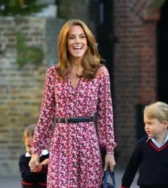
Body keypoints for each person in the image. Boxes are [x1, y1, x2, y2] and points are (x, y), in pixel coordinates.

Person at [28, 19, 117, 188]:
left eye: (82, 37)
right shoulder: (54, 73)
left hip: (88, 143)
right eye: (72, 38)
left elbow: (106, 115)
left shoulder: (100, 72)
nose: (77, 42)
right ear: (65, 43)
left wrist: (109, 151)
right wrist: (36, 151)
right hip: (61, 142)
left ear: (88, 41)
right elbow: (46, 115)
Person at [121, 101, 168, 188]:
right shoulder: (142, 145)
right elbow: (131, 167)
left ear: (164, 124)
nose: (146, 126)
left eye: (150, 123)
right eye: (145, 123)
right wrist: (124, 186)